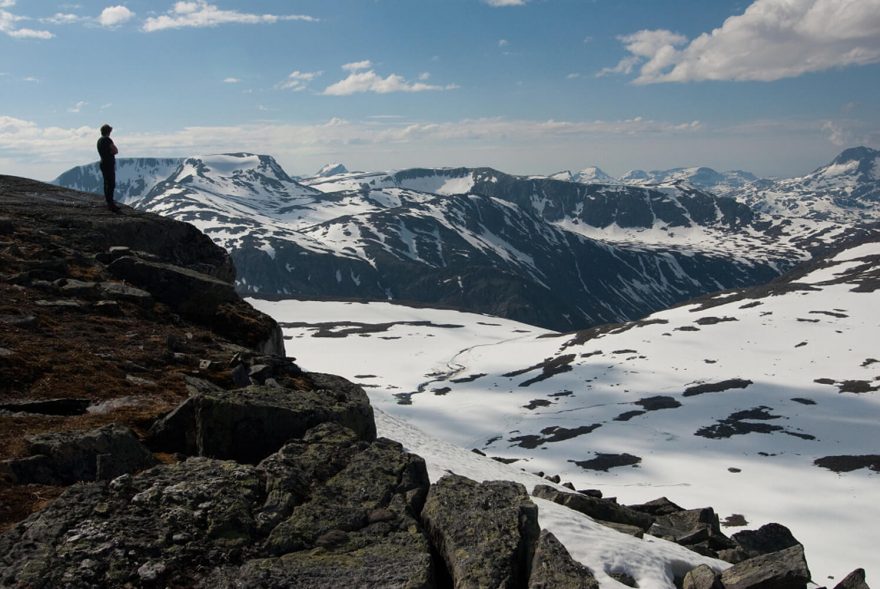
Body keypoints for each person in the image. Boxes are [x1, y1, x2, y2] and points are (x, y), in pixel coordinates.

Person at [96, 124, 119, 212]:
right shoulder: (107, 140)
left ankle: (108, 202)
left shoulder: (99, 140)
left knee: (106, 183)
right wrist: (111, 152)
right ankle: (111, 204)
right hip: (109, 163)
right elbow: (115, 150)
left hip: (103, 162)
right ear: (108, 132)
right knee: (111, 183)